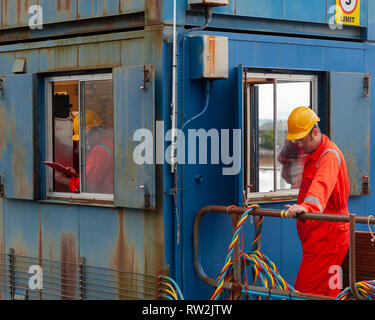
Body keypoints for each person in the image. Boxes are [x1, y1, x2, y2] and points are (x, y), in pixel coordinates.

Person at [285, 106, 349, 298]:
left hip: (328, 238)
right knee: (329, 290)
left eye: (302, 139)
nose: (300, 145)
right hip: (320, 237)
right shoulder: (315, 154)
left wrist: (306, 207)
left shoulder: (329, 156)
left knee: (305, 291)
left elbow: (321, 185)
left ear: (315, 132)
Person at [55, 110, 114, 194]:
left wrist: (64, 180)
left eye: (84, 139)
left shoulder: (99, 151)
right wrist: (74, 176)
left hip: (99, 200)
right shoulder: (109, 144)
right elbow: (95, 177)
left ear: (95, 135)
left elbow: (87, 185)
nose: (83, 143)